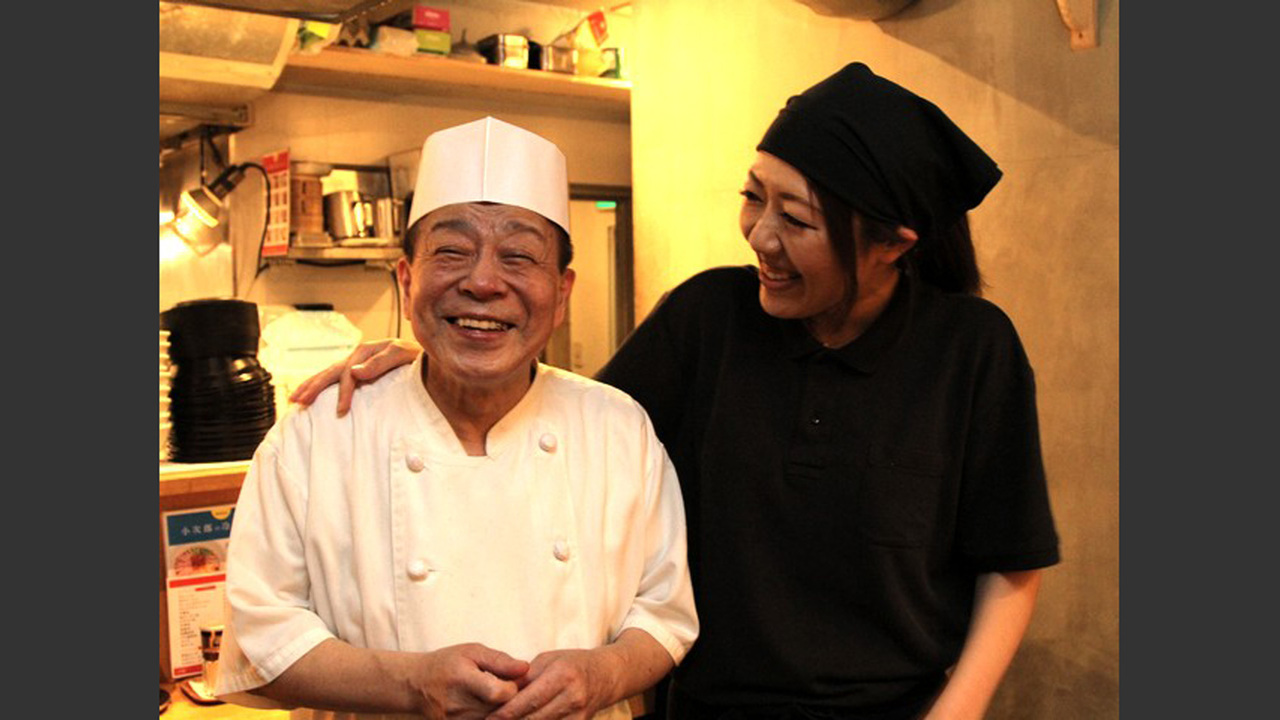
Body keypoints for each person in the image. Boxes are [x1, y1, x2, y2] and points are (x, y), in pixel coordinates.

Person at [292, 64, 1059, 720]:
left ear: (891, 244)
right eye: (754, 196)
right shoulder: (709, 319)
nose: (759, 235)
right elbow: (569, 427)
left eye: (795, 219)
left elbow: (1009, 564)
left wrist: (954, 714)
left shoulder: (971, 350)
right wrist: (443, 352)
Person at [215, 116, 699, 720]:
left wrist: (603, 675)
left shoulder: (618, 429)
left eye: (519, 256)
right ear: (406, 278)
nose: (483, 282)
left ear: (562, 293)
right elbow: (260, 646)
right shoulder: (319, 433)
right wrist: (411, 683)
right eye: (451, 252)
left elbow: (664, 614)